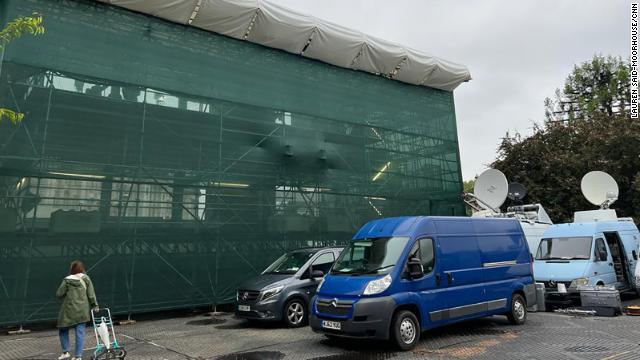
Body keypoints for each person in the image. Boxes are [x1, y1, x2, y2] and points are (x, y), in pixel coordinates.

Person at [56, 260, 98, 360]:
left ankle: (66, 352)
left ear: (71, 269)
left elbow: (59, 294)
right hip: (82, 310)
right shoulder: (86, 278)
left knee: (63, 329)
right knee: (80, 333)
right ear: (82, 268)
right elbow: (91, 294)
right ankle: (78, 356)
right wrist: (95, 305)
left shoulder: (67, 280)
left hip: (68, 310)